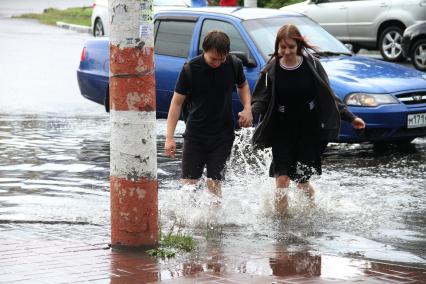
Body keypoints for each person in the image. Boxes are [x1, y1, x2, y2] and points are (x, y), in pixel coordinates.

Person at [251, 24, 365, 214]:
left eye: (291, 47)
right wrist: (250, 112)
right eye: (282, 47)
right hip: (282, 128)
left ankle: (313, 213)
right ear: (277, 47)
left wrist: (351, 118)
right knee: (282, 179)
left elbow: (329, 96)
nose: (286, 52)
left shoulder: (311, 65)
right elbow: (261, 99)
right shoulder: (271, 70)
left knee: (302, 181)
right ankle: (281, 224)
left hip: (307, 128)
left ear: (299, 47)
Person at [165, 30, 253, 197]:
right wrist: (169, 138)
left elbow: (243, 86)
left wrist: (248, 108)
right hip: (195, 134)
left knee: (214, 183)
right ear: (204, 50)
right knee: (189, 186)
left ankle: (216, 221)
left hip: (223, 135)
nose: (218, 63)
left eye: (222, 59)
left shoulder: (233, 64)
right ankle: (187, 222)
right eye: (213, 59)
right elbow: (176, 104)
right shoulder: (190, 69)